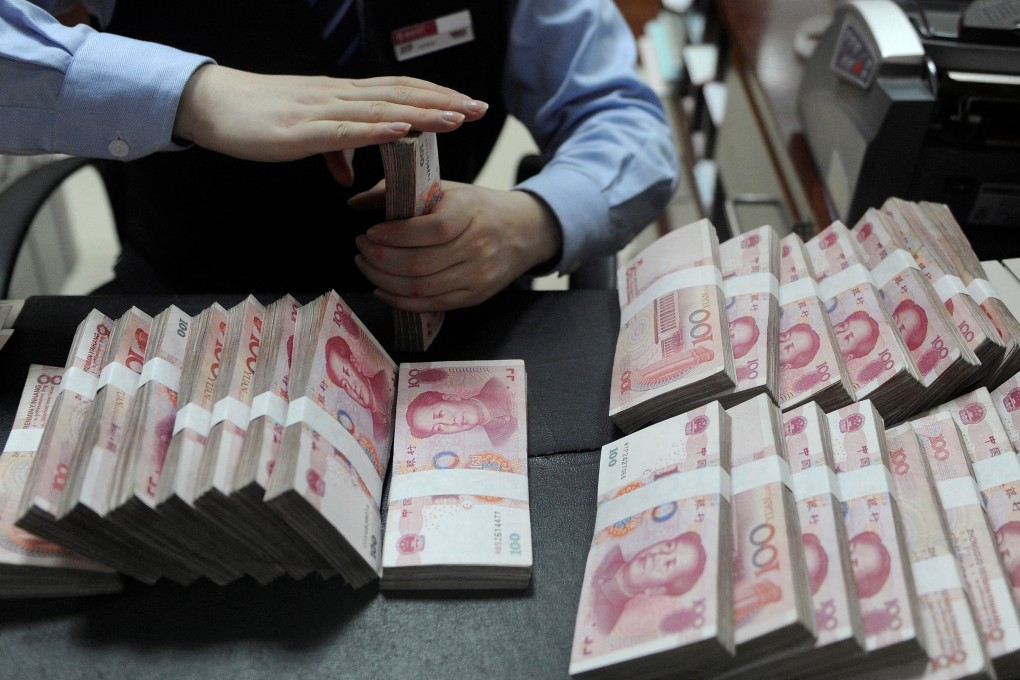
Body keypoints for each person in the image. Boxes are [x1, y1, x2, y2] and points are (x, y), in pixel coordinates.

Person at [0, 0, 678, 309]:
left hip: (440, 315)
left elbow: (620, 114)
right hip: (189, 300)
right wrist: (192, 95)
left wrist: (535, 221)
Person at [590, 532, 707, 636]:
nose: (658, 556)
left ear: (657, 590)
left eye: (668, 564)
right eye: (669, 546)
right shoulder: (607, 546)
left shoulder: (604, 623)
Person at [405, 375, 517, 446]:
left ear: (452, 398)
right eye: (439, 428)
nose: (449, 423)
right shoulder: (499, 442)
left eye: (441, 414)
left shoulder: (500, 382)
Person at [323, 334, 394, 441]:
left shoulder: (386, 379)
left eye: (347, 372)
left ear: (355, 364)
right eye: (345, 385)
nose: (352, 387)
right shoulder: (376, 433)